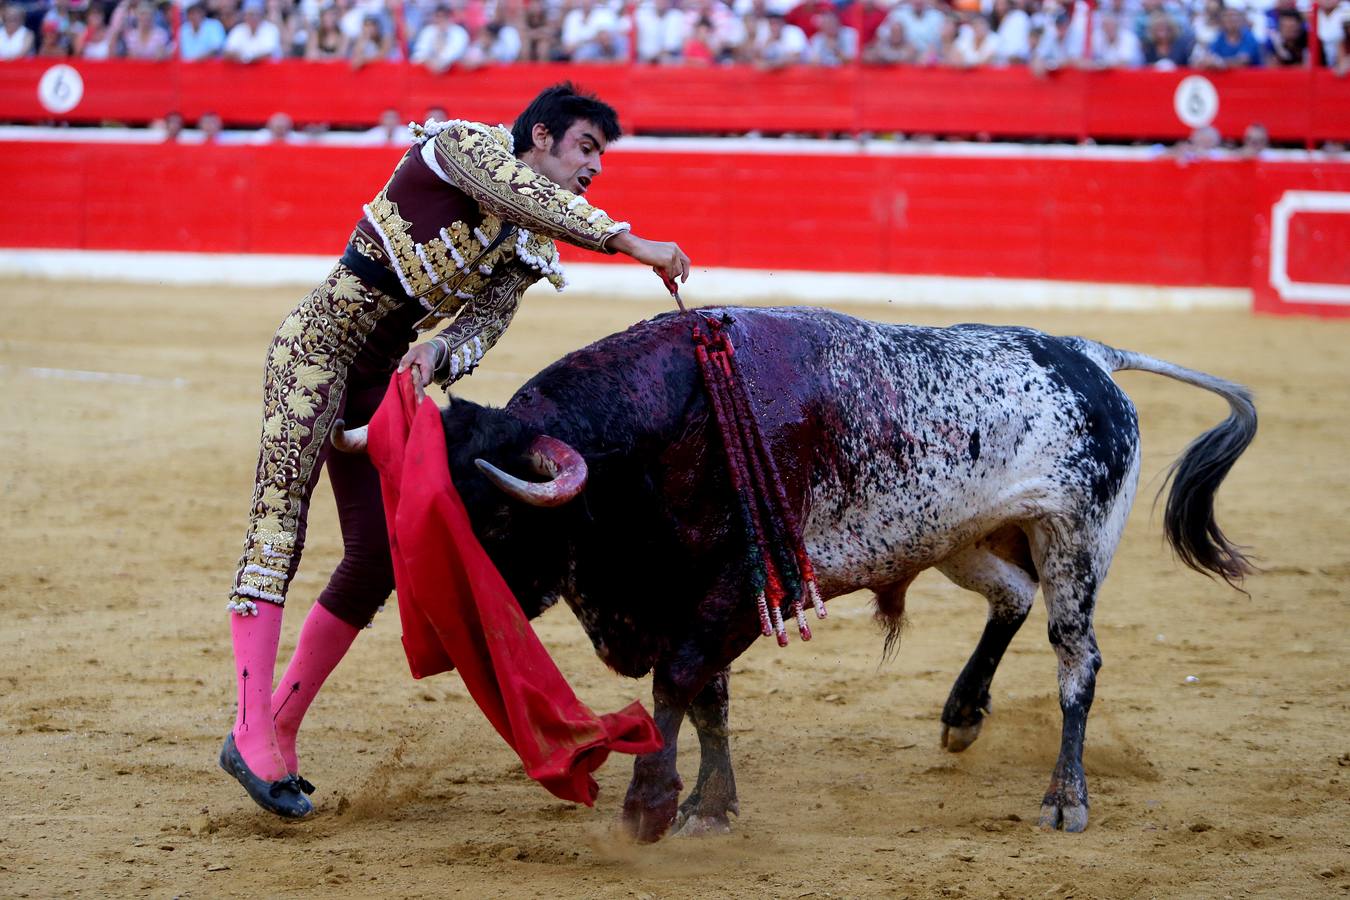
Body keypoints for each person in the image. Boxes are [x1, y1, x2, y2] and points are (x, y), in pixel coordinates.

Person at [219, 83, 691, 819]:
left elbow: (485, 322)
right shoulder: (463, 148)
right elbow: (530, 199)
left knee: (374, 560)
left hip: (379, 380)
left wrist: (437, 354)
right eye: (585, 147)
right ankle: (250, 730)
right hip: (317, 350)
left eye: (603, 155)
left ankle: (277, 722)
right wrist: (629, 240)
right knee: (279, 523)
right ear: (540, 135)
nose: (595, 166)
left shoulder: (528, 246)